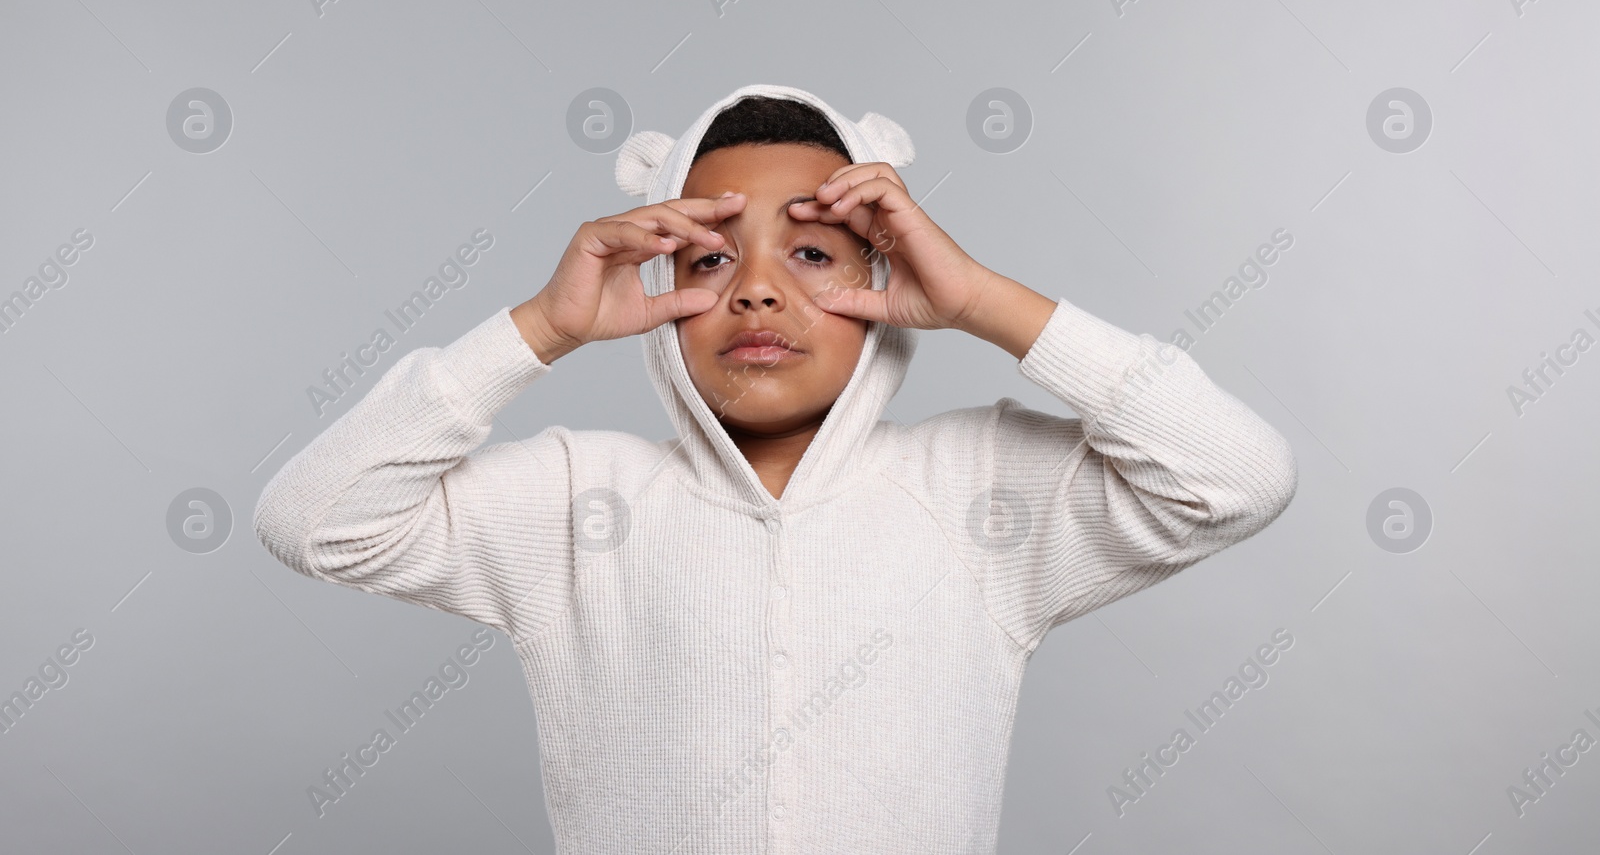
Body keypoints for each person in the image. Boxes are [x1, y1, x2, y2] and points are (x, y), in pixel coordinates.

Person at [254, 83, 1298, 853]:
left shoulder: (977, 485)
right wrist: (538, 328)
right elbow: (316, 518)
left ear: (886, 280)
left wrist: (981, 297)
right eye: (709, 258)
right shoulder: (581, 499)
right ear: (657, 290)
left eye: (810, 252)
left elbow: (1235, 474)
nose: (755, 291)